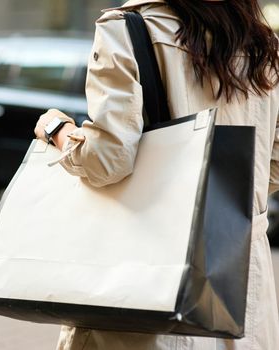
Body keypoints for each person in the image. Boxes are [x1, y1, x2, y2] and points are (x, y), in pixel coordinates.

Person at [34, 0, 279, 349]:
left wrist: (57, 129)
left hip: (149, 285)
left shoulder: (128, 30)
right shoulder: (263, 45)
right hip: (242, 285)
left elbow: (108, 160)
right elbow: (273, 160)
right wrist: (224, 203)